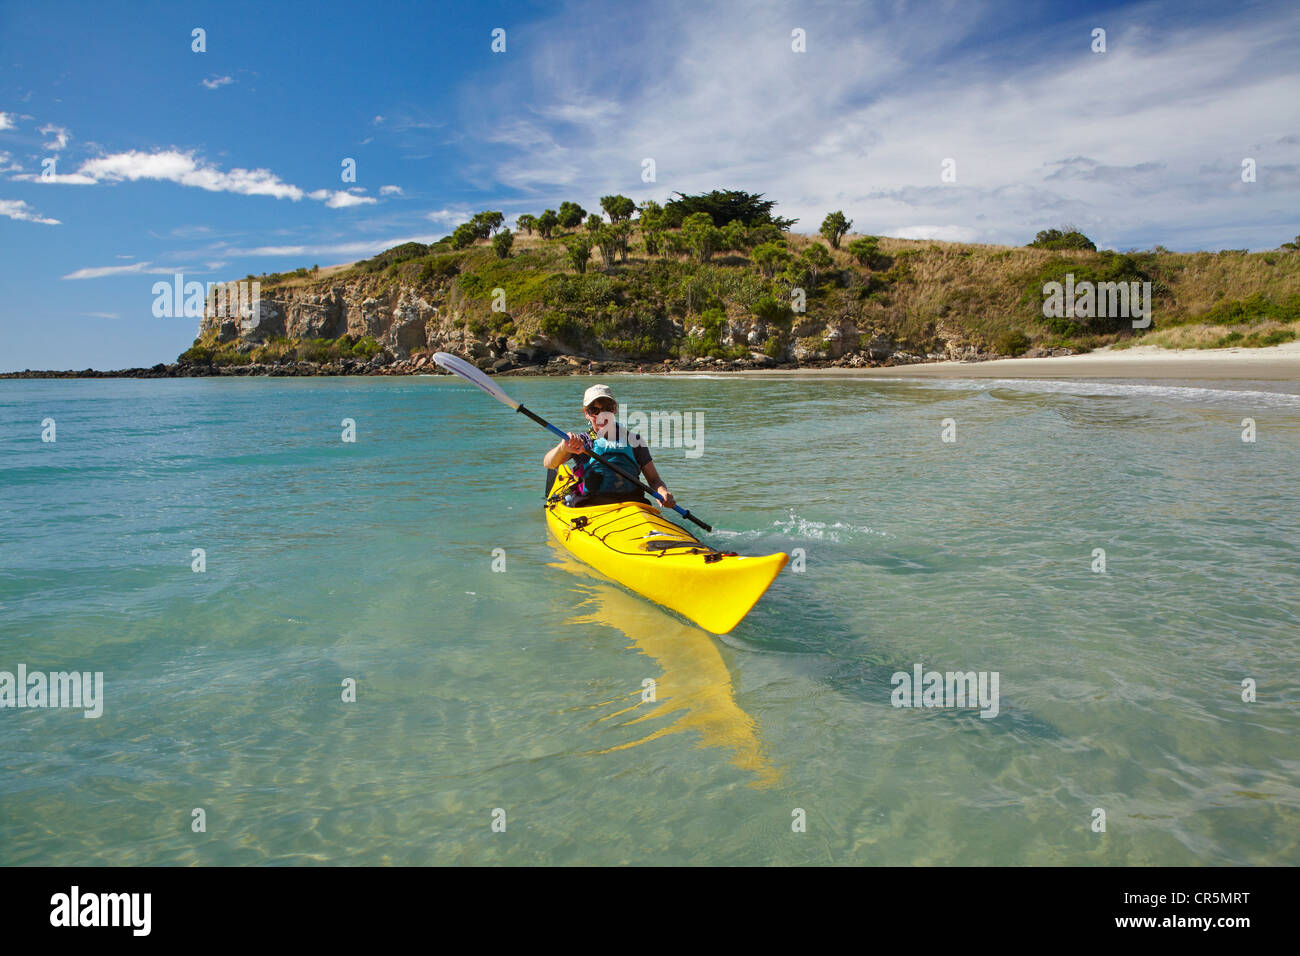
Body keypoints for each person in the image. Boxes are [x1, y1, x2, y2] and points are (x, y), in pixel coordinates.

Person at [543, 384, 676, 509]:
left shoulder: (635, 441)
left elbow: (654, 480)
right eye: (594, 410)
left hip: (632, 505)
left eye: (607, 408)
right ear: (586, 413)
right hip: (591, 506)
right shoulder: (580, 442)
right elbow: (549, 463)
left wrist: (663, 492)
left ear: (615, 409)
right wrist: (562, 448)